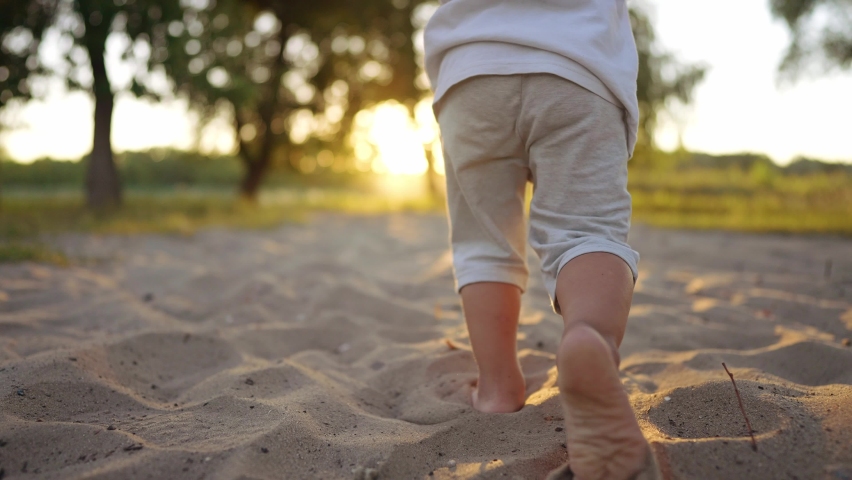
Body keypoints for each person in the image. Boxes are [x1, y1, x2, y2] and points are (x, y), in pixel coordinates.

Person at [423, 1, 660, 479]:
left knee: (484, 245)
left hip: (470, 69)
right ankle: (587, 339)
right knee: (586, 232)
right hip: (579, 63)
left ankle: (497, 389)